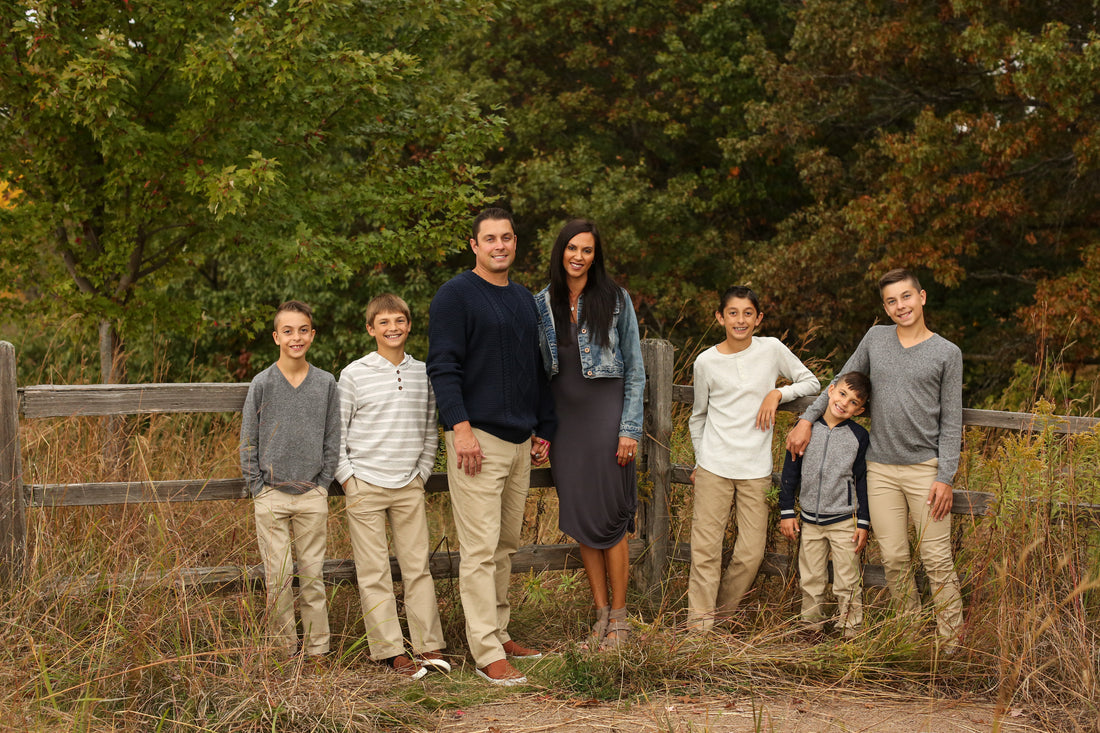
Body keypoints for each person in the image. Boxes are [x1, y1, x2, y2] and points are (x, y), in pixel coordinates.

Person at [785, 269, 964, 648]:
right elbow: (840, 379)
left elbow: (952, 420)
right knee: (896, 560)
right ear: (885, 307)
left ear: (922, 297)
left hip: (925, 471)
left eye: (906, 297)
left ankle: (951, 644)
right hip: (880, 469)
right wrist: (806, 418)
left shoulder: (947, 353)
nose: (900, 306)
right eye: (891, 301)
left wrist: (945, 475)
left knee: (936, 559)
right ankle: (910, 637)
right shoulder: (876, 338)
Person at [427, 208, 557, 686]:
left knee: (505, 544)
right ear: (474, 244)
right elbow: (443, 366)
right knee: (479, 549)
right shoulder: (455, 295)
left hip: (521, 439)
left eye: (506, 238)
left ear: (515, 242)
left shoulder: (525, 301)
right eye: (489, 238)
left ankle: (499, 631)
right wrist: (459, 428)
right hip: (476, 439)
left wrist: (545, 427)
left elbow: (537, 370)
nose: (499, 245)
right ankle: (485, 651)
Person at [535, 219, 645, 650]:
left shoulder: (615, 300)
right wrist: (541, 429)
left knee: (610, 519)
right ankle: (599, 617)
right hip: (566, 424)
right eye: (572, 248)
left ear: (596, 256)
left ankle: (620, 619)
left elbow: (635, 369)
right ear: (560, 251)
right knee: (582, 520)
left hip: (606, 416)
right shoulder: (541, 302)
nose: (578, 257)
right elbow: (539, 374)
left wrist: (629, 429)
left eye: (587, 250)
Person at [687, 286, 820, 631]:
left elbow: (812, 382)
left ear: (758, 318)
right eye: (733, 313)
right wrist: (701, 461)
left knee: (750, 554)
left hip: (755, 470)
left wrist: (777, 392)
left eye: (748, 313)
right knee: (706, 552)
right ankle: (698, 633)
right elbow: (698, 416)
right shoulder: (706, 361)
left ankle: (722, 617)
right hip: (715, 466)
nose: (740, 320)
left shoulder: (771, 349)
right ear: (720, 317)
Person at [336, 293, 449, 680]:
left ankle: (427, 644)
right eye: (383, 322)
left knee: (417, 567)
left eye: (399, 320)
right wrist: (348, 479)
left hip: (408, 484)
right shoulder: (354, 374)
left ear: (409, 324)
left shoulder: (424, 372)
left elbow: (430, 429)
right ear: (371, 329)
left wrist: (420, 474)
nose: (392, 328)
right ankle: (390, 651)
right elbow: (337, 432)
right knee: (374, 571)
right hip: (365, 483)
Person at [240, 300, 340, 658]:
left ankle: (317, 652)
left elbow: (333, 437)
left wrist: (324, 483)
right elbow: (248, 438)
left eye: (302, 330)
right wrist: (257, 487)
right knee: (278, 580)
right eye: (287, 331)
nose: (295, 337)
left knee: (313, 580)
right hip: (270, 495)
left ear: (311, 334)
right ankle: (283, 652)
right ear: (276, 337)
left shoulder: (326, 383)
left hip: (311, 493)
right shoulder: (263, 383)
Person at [778, 371, 872, 638]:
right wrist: (787, 512)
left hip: (844, 521)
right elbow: (789, 473)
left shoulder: (859, 436)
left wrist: (863, 522)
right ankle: (811, 627)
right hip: (809, 521)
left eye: (854, 402)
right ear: (830, 391)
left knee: (847, 579)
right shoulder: (804, 429)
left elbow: (863, 480)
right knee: (810, 578)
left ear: (860, 409)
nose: (844, 403)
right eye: (842, 394)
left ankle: (850, 630)